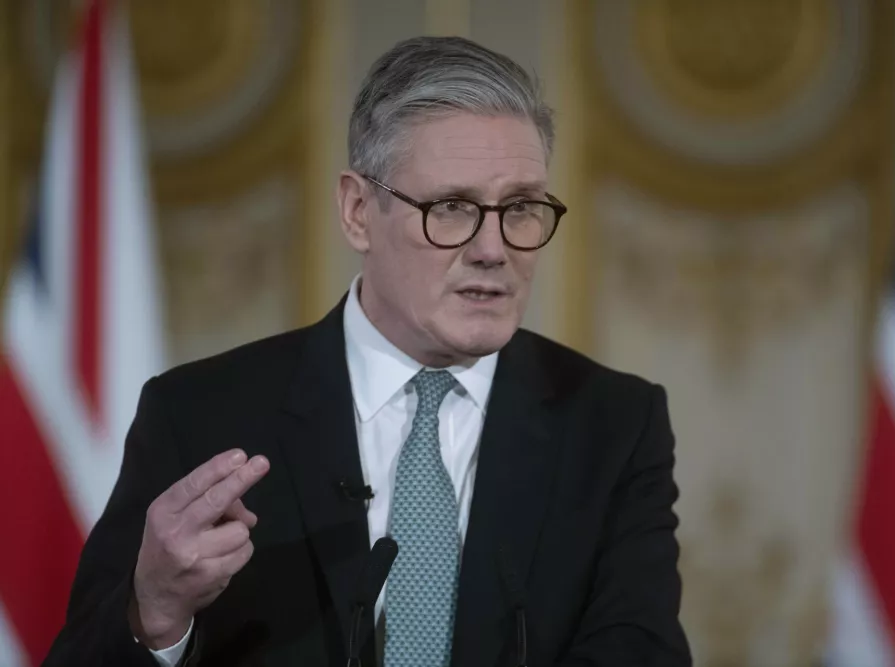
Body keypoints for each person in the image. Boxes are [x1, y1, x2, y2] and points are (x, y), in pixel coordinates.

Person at [42, 36, 691, 667]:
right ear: (357, 211)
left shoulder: (613, 424)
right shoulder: (200, 413)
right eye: (452, 207)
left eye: (520, 208)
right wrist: (154, 613)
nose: (494, 248)